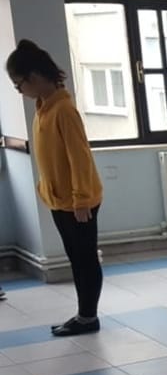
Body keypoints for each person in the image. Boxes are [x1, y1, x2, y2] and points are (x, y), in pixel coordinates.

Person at [6, 40, 103, 336]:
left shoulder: (63, 110)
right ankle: (84, 314)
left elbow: (79, 157)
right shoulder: (43, 109)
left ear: (34, 76)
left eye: (19, 84)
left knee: (85, 259)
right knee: (76, 258)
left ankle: (88, 317)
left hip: (78, 201)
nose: (19, 90)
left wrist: (81, 199)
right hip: (60, 200)